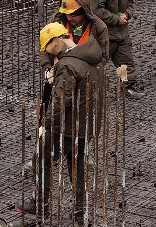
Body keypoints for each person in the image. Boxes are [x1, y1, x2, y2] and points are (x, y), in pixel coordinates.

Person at [37, 23, 108, 212]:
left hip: (69, 126)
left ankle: (41, 204)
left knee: (43, 158)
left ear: (56, 43)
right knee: (77, 164)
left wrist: (46, 124)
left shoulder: (68, 65)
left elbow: (60, 102)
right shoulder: (90, 56)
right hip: (86, 124)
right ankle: (79, 208)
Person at [92, 0, 142, 94]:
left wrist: (127, 14)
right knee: (96, 62)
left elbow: (131, 2)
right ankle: (88, 88)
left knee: (125, 63)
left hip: (122, 32)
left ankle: (127, 86)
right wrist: (116, 19)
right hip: (105, 34)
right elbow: (96, 11)